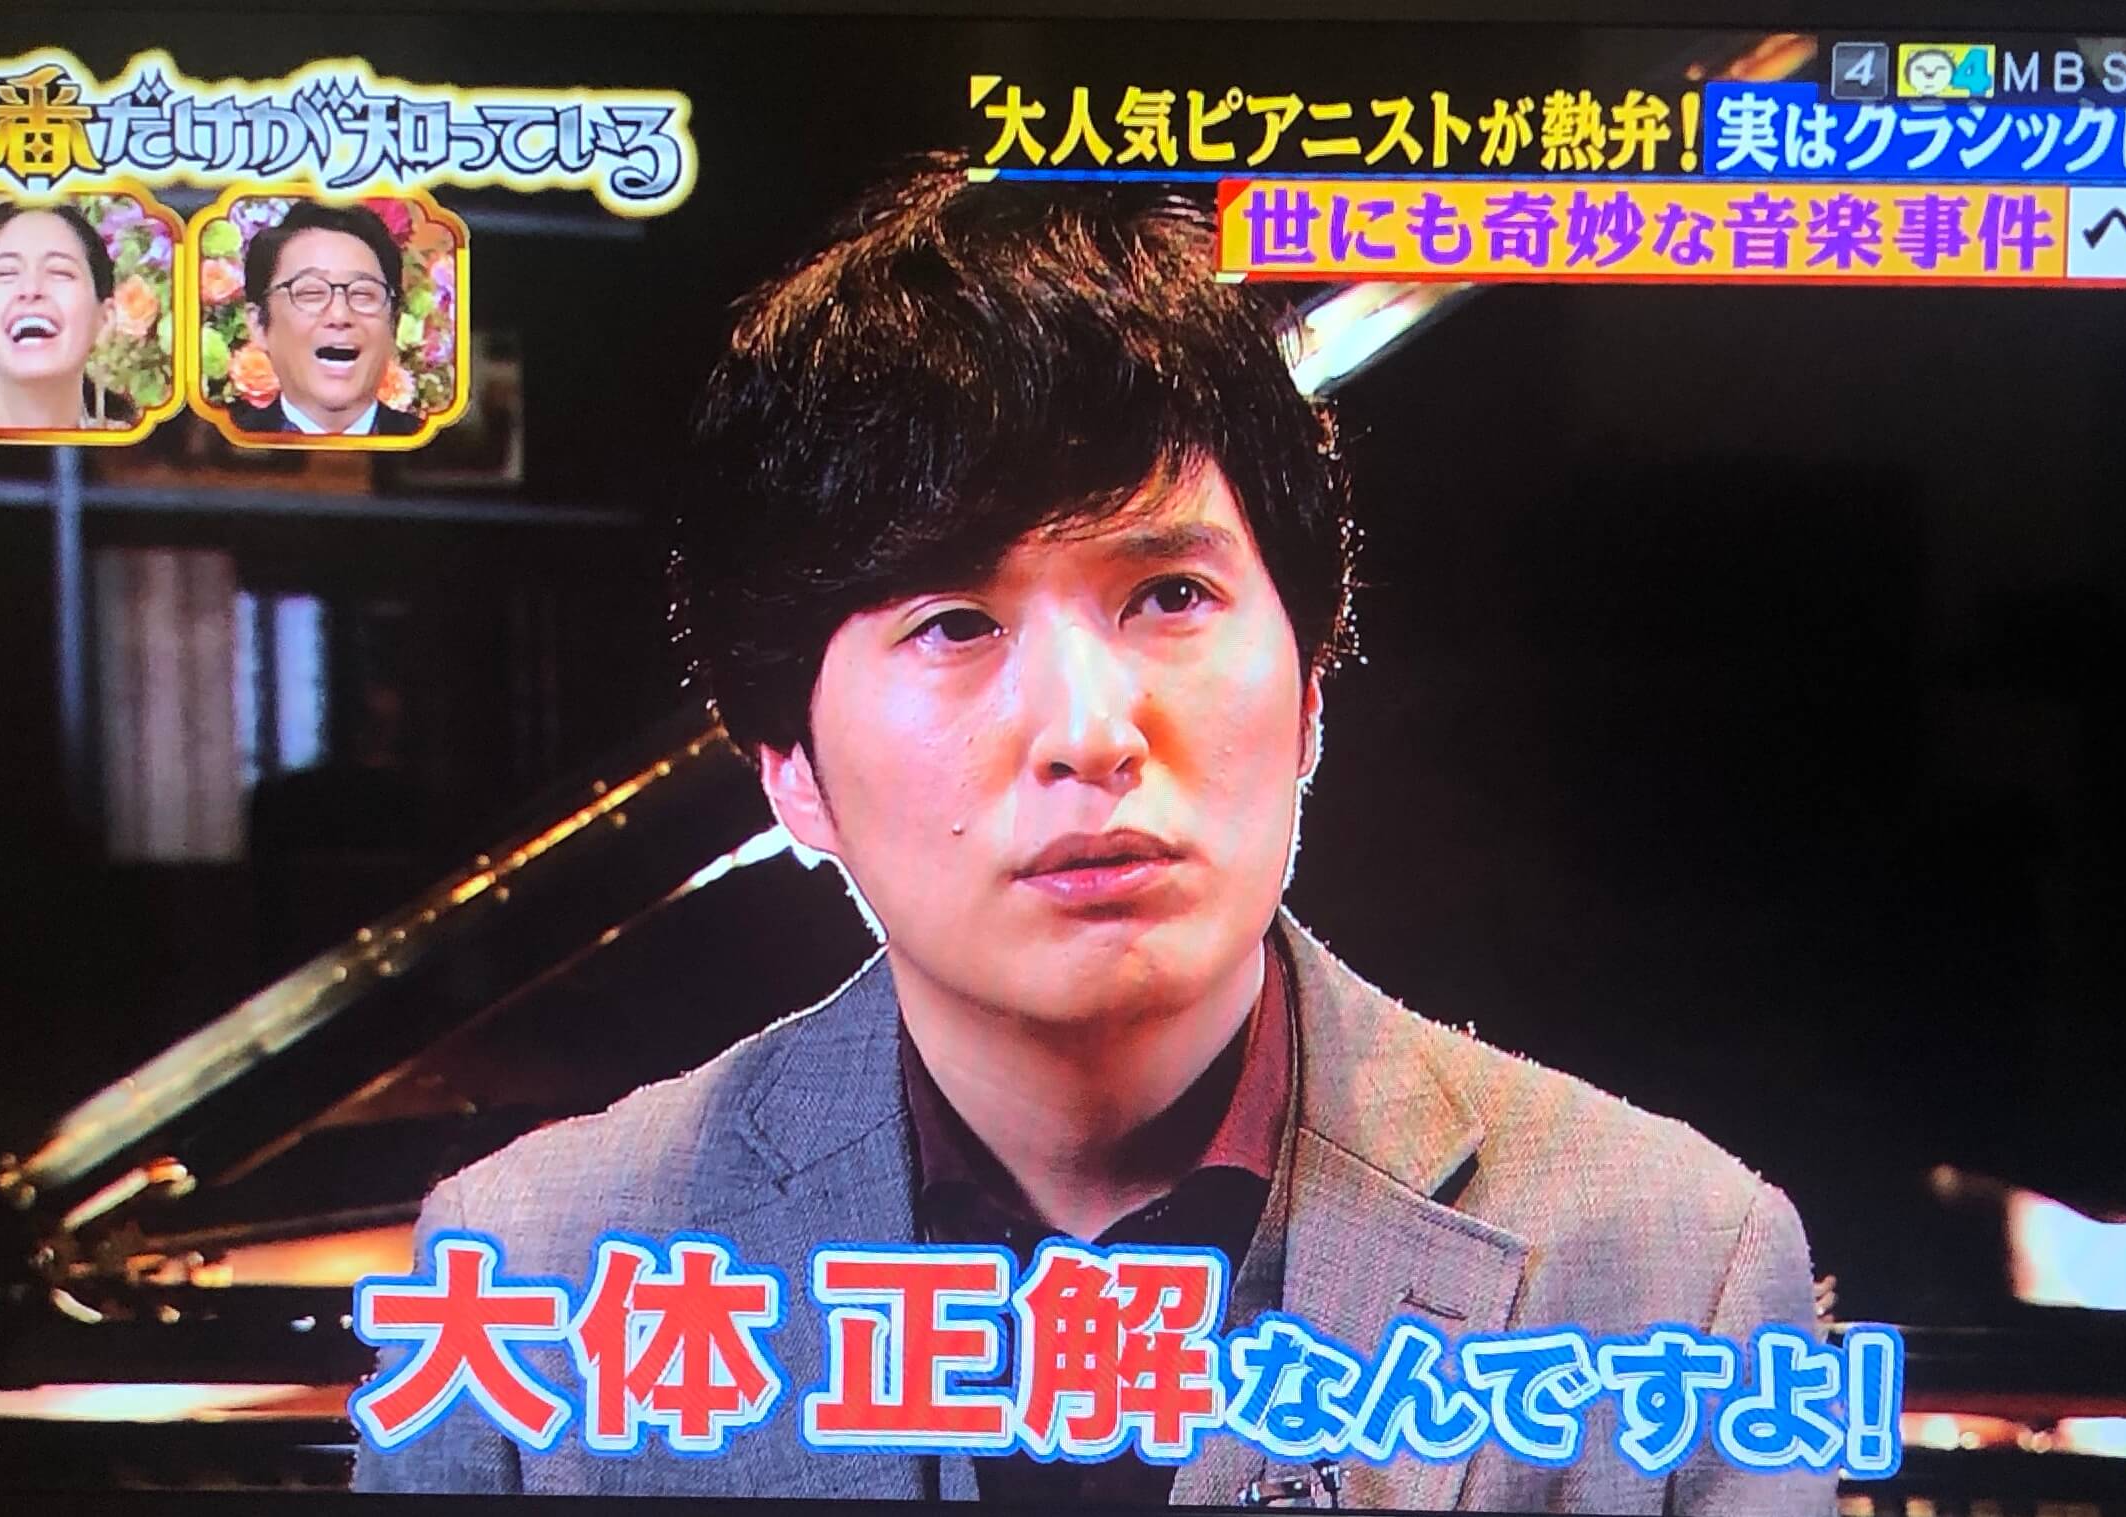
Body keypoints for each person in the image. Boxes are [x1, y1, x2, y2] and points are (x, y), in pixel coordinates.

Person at [356, 161, 1827, 1514]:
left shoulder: (1671, 1261)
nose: (1089, 728)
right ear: (790, 773)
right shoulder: (537, 1266)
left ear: (1312, 695)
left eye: (1170, 596)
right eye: (954, 622)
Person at [230, 201, 423, 436]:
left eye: (362, 294)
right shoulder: (227, 445)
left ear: (394, 324)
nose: (339, 315)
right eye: (311, 293)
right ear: (258, 325)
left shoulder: (433, 449)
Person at [0, 202, 137, 432]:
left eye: (60, 272)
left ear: (105, 320)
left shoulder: (145, 451)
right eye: (6, 272)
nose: (30, 289)